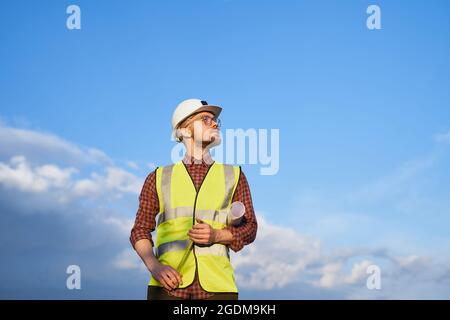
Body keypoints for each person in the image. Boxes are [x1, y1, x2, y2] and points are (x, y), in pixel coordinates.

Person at [130, 99, 258, 300]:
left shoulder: (234, 175)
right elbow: (140, 230)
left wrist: (216, 236)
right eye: (205, 119)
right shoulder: (157, 177)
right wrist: (155, 267)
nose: (215, 123)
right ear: (185, 130)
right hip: (167, 287)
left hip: (219, 288)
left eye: (216, 120)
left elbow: (250, 228)